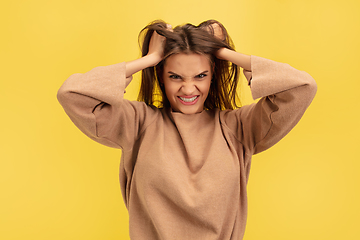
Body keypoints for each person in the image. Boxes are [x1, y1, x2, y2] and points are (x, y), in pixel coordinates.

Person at [57, 20, 317, 240]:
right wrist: (149, 59)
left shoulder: (238, 128)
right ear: (160, 76)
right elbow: (72, 94)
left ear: (213, 75)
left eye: (200, 76)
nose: (189, 89)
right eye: (176, 77)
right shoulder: (137, 124)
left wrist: (223, 53)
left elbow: (301, 86)